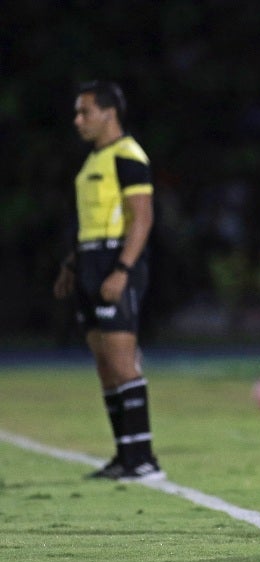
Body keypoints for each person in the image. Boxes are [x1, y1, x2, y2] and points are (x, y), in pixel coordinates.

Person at [53, 80, 164, 481]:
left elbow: (143, 217)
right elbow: (88, 223)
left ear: (109, 113)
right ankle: (124, 456)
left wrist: (122, 270)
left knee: (122, 360)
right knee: (105, 366)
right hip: (89, 262)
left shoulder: (128, 155)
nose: (78, 120)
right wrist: (71, 265)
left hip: (115, 262)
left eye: (86, 112)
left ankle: (144, 459)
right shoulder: (92, 161)